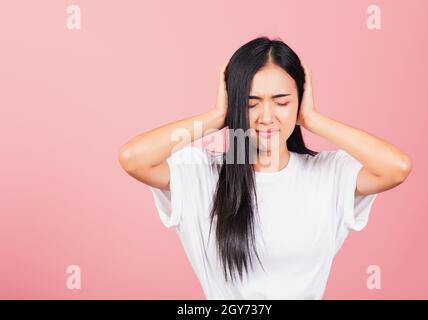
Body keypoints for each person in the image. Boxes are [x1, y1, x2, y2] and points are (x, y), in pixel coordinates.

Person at [118, 36, 412, 299]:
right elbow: (133, 158)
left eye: (282, 102)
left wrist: (312, 119)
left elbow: (396, 167)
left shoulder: (329, 174)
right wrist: (217, 116)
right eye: (250, 103)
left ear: (299, 101)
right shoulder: (201, 173)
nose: (266, 116)